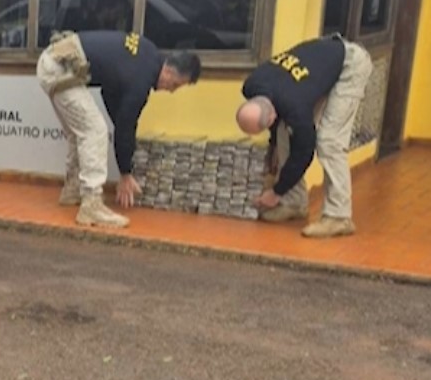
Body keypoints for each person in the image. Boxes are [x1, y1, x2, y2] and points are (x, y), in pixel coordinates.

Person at [37, 30, 202, 228]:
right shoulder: (141, 79)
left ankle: (72, 190)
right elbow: (125, 124)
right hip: (60, 66)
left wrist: (123, 133)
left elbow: (110, 93)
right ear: (168, 72)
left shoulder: (148, 54)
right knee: (95, 131)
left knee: (80, 132)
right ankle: (91, 204)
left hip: (55, 59)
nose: (171, 91)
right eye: (174, 85)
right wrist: (125, 173)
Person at [235, 34, 372, 238]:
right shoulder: (251, 85)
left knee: (329, 141)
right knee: (283, 132)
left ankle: (339, 217)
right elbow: (278, 127)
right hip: (320, 63)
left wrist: (277, 191)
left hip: (349, 65)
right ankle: (295, 204)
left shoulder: (296, 108)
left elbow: (304, 152)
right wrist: (273, 151)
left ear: (271, 116)